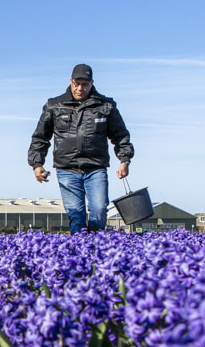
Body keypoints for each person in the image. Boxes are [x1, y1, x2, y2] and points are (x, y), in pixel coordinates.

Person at [28, 64, 134, 233]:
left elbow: (120, 135)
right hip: (67, 168)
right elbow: (40, 137)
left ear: (92, 83)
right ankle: (78, 256)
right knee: (76, 215)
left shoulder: (106, 106)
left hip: (96, 167)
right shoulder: (54, 105)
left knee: (99, 211)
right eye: (77, 83)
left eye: (85, 84)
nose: (80, 88)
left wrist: (124, 160)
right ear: (71, 81)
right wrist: (37, 164)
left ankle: (94, 248)